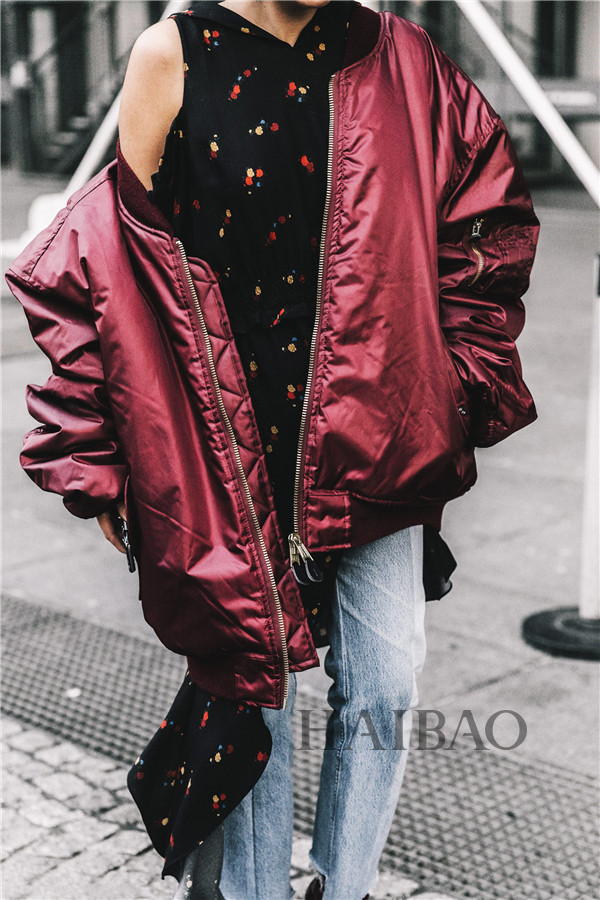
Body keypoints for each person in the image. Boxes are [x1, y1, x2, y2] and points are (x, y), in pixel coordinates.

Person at [5, 1, 540, 898]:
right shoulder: (172, 55)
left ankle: (346, 885)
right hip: (222, 453)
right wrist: (93, 451)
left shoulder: (403, 57)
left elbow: (483, 223)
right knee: (255, 689)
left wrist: (454, 381)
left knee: (386, 684)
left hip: (380, 439)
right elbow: (106, 272)